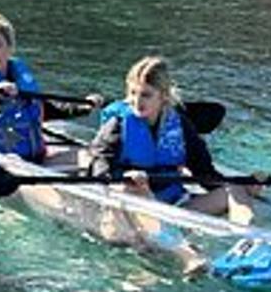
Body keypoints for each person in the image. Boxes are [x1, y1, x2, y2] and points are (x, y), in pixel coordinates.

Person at [86, 56, 258, 277]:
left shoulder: (180, 124)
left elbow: (204, 173)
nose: (137, 101)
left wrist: (245, 183)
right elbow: (97, 161)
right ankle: (188, 256)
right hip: (132, 207)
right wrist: (121, 176)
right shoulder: (118, 123)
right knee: (135, 189)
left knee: (234, 188)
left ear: (163, 97)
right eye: (133, 94)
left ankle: (247, 241)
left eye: (146, 95)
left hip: (174, 207)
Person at [0, 13, 97, 162]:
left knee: (90, 157)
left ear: (9, 48)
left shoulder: (19, 76)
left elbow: (42, 108)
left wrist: (82, 106)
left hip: (35, 158)